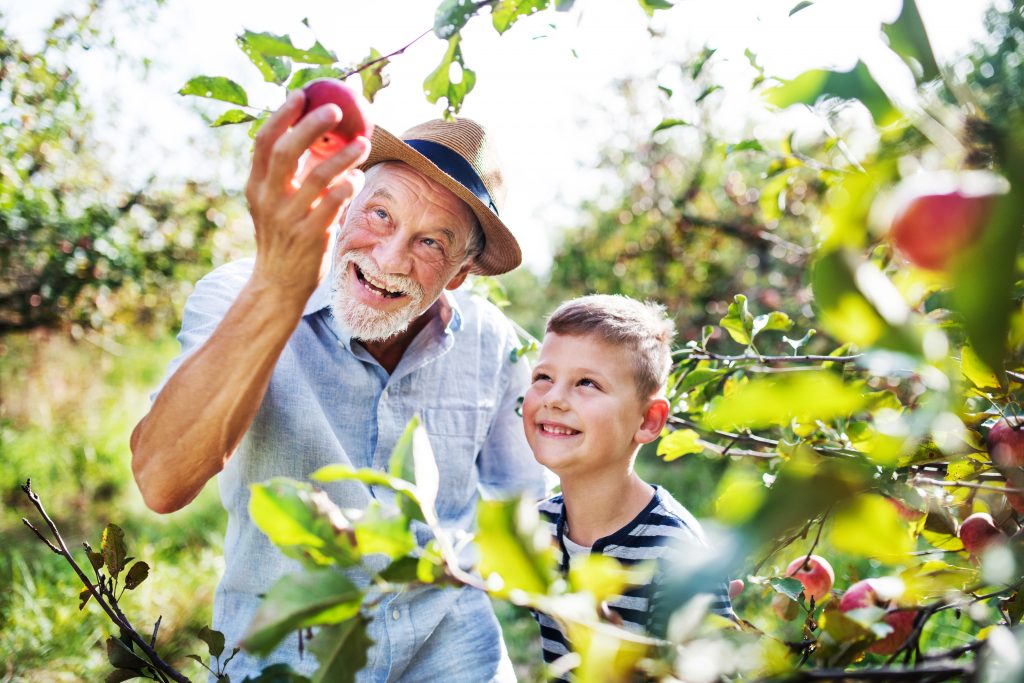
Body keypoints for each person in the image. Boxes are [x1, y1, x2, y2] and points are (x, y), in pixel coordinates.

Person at [129, 91, 546, 680]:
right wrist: (277, 291)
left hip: (454, 654)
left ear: (462, 272)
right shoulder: (237, 295)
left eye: (432, 242)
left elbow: (534, 508)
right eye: (381, 214)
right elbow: (161, 481)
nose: (391, 257)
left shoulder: (494, 344)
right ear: (347, 204)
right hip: (290, 654)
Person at [522, 294, 735, 677]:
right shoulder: (538, 529)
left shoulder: (674, 552)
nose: (554, 398)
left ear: (649, 420)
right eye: (543, 377)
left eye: (586, 383)